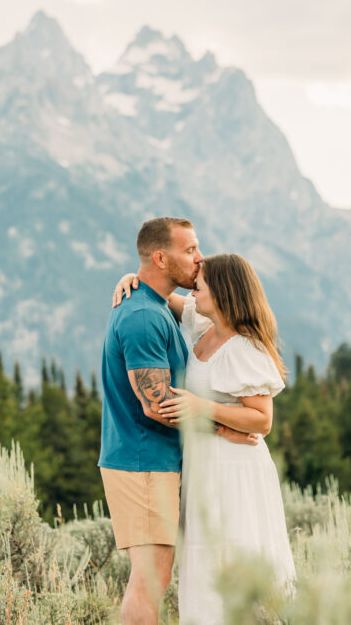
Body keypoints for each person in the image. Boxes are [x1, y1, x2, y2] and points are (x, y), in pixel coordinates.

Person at [113, 253, 297, 625]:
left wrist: (202, 409)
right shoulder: (203, 325)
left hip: (234, 470)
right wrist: (131, 278)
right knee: (205, 559)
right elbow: (159, 295)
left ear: (224, 293)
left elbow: (262, 420)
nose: (193, 290)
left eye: (200, 285)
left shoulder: (245, 347)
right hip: (205, 466)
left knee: (232, 551)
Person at [99, 216, 203, 625]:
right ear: (161, 257)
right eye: (190, 250)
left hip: (153, 463)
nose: (199, 258)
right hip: (142, 463)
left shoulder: (154, 305)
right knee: (150, 580)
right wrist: (226, 426)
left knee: (153, 579)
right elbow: (156, 404)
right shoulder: (143, 316)